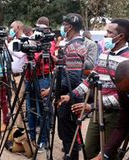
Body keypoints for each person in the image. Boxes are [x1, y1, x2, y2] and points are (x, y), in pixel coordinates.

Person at [59, 19, 129, 159]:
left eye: (109, 32)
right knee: (89, 151)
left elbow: (125, 96)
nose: (106, 35)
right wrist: (71, 95)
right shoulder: (104, 54)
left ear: (120, 36)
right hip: (98, 112)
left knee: (107, 155)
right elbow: (90, 80)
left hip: (116, 116)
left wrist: (92, 106)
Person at [41, 13, 88, 159]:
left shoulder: (74, 46)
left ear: (71, 27)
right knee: (66, 133)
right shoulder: (75, 44)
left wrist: (52, 90)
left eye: (65, 24)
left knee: (68, 135)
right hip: (68, 95)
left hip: (69, 97)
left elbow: (72, 78)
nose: (63, 27)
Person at [25, 16, 56, 153]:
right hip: (30, 76)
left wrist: (36, 46)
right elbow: (28, 55)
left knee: (42, 109)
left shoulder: (50, 40)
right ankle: (31, 136)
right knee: (30, 107)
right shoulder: (33, 38)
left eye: (40, 29)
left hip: (43, 77)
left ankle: (43, 140)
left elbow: (43, 56)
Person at [8, 20, 27, 128]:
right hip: (12, 75)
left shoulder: (25, 40)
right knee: (13, 100)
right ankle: (14, 124)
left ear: (18, 27)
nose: (11, 29)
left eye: (12, 27)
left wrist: (9, 49)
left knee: (19, 101)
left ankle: (19, 127)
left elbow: (21, 55)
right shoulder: (13, 41)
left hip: (20, 75)